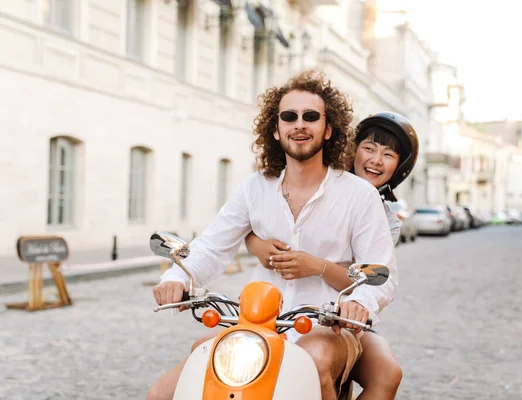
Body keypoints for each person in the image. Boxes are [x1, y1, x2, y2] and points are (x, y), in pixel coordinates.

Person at [147, 70, 398, 400]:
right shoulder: (255, 187)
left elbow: (381, 272)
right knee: (162, 393)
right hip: (255, 325)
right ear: (276, 130)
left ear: (328, 130)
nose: (299, 124)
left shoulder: (358, 195)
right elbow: (212, 245)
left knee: (313, 360)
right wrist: (179, 277)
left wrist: (358, 304)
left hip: (327, 327)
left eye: (311, 117)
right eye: (289, 117)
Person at [245, 111, 419, 399]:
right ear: (352, 150)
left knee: (388, 373)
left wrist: (317, 266)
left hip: (338, 314)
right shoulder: (318, 183)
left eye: (388, 154)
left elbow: (367, 281)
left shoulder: (385, 218)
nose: (376, 159)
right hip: (279, 307)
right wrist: (256, 244)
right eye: (369, 148)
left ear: (399, 167)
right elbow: (253, 225)